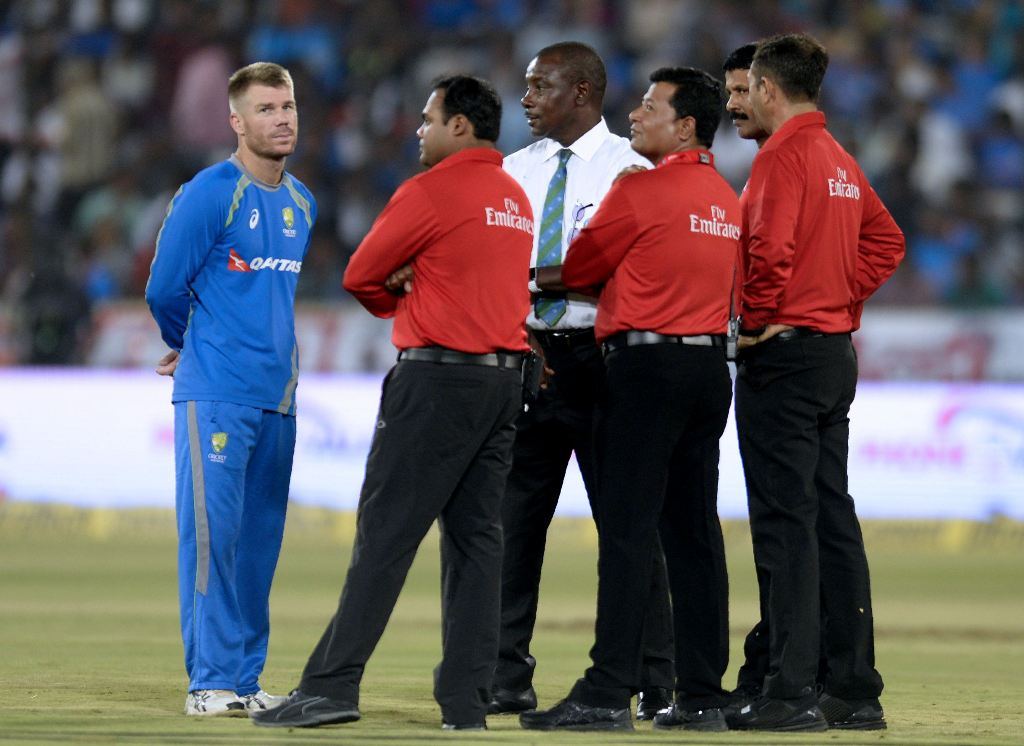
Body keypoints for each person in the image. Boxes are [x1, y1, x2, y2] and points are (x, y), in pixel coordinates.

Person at [251, 75, 533, 731]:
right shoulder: (515, 198)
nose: (418, 130)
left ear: (460, 126)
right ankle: (467, 703)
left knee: (385, 537)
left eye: (429, 118)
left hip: (436, 381)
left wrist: (402, 298)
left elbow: (360, 275)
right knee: (478, 546)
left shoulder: (431, 190)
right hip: (502, 382)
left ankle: (331, 687)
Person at [521, 67, 739, 732]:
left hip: (644, 369)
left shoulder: (640, 190)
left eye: (651, 107)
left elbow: (580, 271)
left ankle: (607, 690)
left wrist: (514, 273)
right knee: (695, 534)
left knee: (626, 533)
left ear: (686, 126)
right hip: (709, 369)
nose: (636, 116)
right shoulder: (726, 200)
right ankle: (700, 692)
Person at [491, 40, 675, 722]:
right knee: (512, 525)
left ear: (583, 92)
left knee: (629, 527)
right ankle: (505, 675)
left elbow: (638, 266)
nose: (526, 98)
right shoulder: (514, 171)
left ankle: (656, 677)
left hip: (603, 360)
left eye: (539, 85)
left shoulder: (636, 169)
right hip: (526, 354)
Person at [731, 33, 904, 732]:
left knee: (785, 525)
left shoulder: (783, 156)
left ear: (770, 88)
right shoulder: (838, 158)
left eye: (750, 90)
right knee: (832, 519)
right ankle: (854, 688)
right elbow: (886, 242)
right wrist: (838, 301)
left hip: (786, 356)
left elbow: (768, 251)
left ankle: (790, 689)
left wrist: (759, 319)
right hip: (832, 354)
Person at [145, 61, 315, 717]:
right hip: (216, 393)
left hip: (279, 398)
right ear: (237, 122)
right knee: (213, 541)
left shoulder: (302, 202)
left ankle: (245, 682)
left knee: (258, 546)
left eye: (289, 105)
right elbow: (164, 287)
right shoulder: (211, 193)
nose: (283, 118)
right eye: (267, 109)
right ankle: (208, 683)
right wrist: (190, 343)